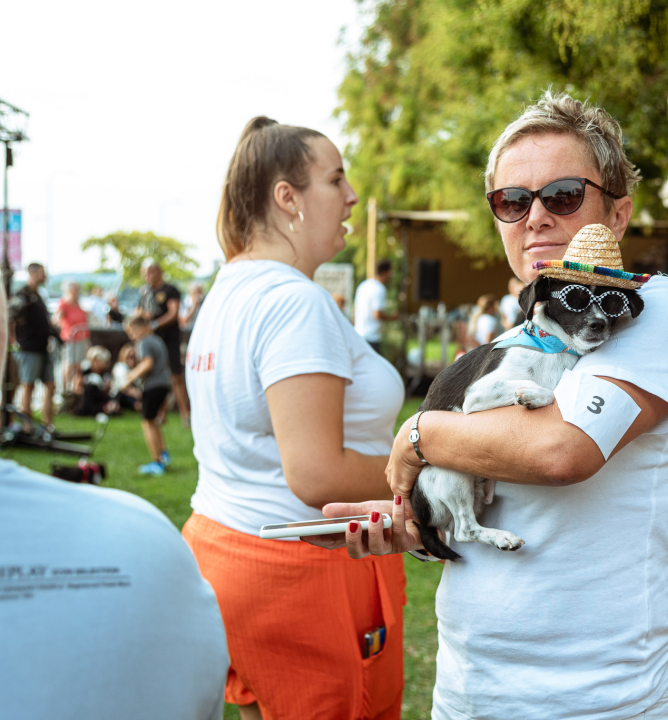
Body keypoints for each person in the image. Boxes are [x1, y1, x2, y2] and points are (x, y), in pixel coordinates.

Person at [314, 91, 668, 720]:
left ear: (619, 213)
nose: (536, 218)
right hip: (467, 694)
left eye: (564, 195)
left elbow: (562, 450)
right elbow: (490, 488)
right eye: (512, 201)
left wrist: (416, 434)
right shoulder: (506, 347)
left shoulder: (653, 310)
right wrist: (416, 526)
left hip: (600, 703)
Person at [181, 116, 406, 720]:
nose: (352, 196)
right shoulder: (293, 302)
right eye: (336, 179)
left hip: (225, 549)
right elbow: (317, 475)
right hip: (299, 572)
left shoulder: (229, 288)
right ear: (288, 197)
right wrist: (433, 472)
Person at [0, 177, 229, 720]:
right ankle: (161, 448)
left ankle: (161, 453)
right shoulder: (145, 543)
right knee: (154, 421)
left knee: (155, 421)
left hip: (158, 378)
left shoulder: (143, 545)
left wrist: (130, 380)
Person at [137, 261, 190, 426]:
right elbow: (139, 312)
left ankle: (185, 415)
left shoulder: (170, 290)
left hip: (170, 338)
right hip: (154, 341)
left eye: (151, 272)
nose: (148, 276)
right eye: (145, 273)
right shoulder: (145, 292)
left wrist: (154, 325)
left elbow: (174, 314)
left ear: (159, 272)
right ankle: (161, 414)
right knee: (158, 378)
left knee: (175, 376)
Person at [8, 263, 56, 426]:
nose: (45, 276)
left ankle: (47, 425)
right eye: (43, 272)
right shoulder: (22, 294)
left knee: (51, 385)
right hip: (28, 348)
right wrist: (14, 341)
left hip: (43, 347)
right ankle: (27, 426)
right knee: (28, 386)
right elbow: (10, 317)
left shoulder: (39, 295)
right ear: (33, 273)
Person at [123, 317, 172, 475]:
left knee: (148, 422)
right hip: (164, 383)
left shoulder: (144, 342)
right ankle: (163, 453)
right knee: (154, 421)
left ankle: (156, 462)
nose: (132, 336)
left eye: (133, 332)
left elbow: (147, 363)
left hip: (153, 385)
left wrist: (130, 377)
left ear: (142, 327)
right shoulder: (158, 340)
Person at [353, 259, 398, 354]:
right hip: (371, 337)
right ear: (385, 272)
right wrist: (393, 317)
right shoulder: (379, 289)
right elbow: (377, 315)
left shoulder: (363, 285)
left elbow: (355, 310)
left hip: (358, 334)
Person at [55, 281, 92, 392]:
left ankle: (75, 388)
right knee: (69, 364)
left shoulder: (78, 304)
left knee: (78, 365)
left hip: (81, 338)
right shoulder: (64, 304)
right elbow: (58, 319)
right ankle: (65, 389)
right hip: (70, 339)